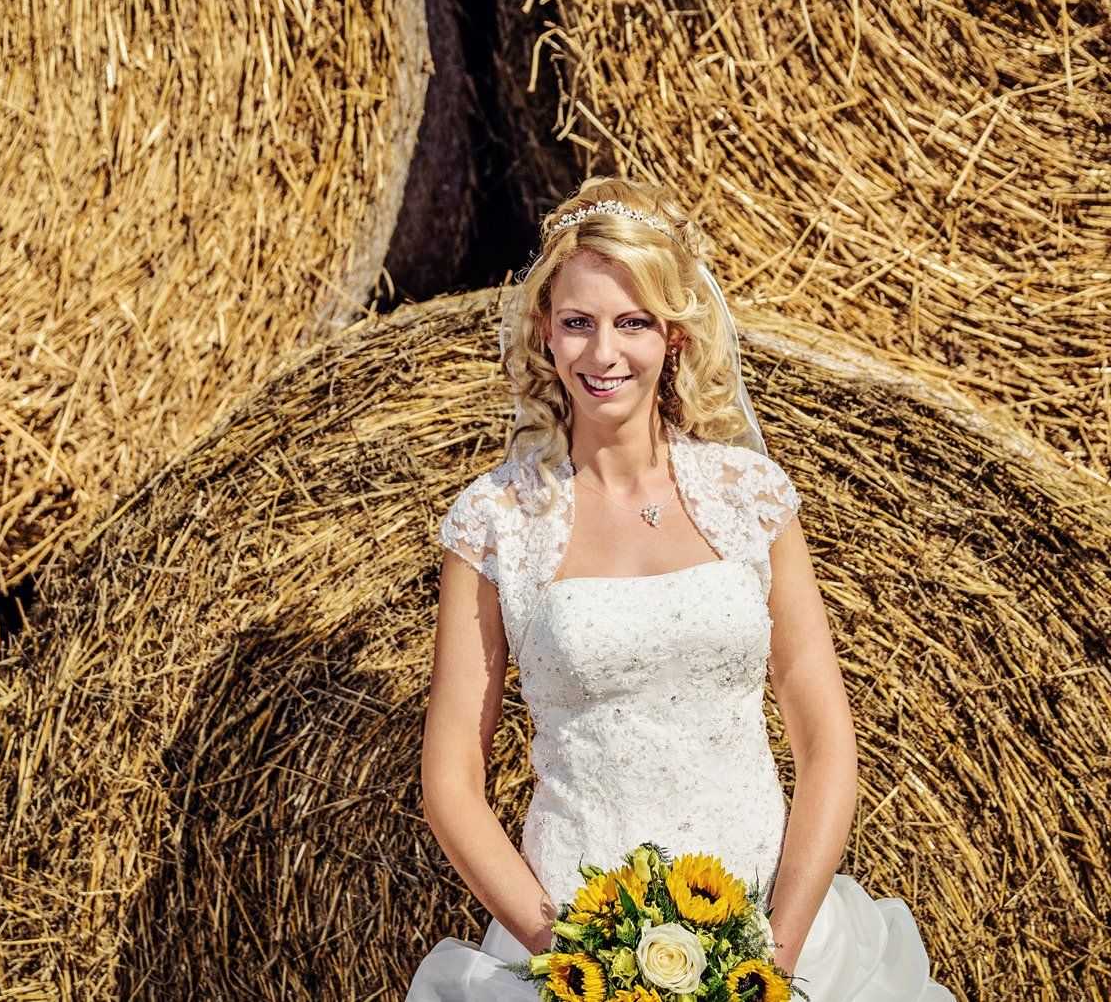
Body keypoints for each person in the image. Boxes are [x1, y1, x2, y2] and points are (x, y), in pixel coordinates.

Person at [405, 178, 953, 1001]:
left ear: (676, 335)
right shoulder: (496, 521)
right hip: (575, 950)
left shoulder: (751, 498)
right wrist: (579, 960)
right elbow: (451, 781)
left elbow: (825, 742)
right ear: (546, 332)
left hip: (771, 937)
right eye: (578, 323)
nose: (603, 353)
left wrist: (773, 961)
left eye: (633, 322)